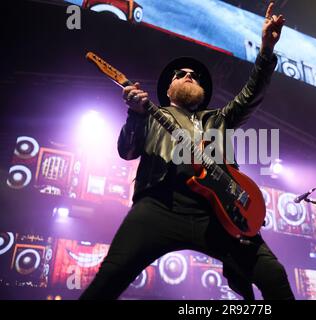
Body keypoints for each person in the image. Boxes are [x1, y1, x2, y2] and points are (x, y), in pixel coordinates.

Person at [80, 2, 294, 300]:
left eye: (194, 75)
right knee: (111, 276)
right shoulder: (154, 114)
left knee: (274, 275)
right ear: (169, 88)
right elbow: (127, 152)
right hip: (161, 204)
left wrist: (266, 50)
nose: (188, 75)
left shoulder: (217, 120)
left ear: (204, 93)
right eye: (180, 73)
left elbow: (251, 95)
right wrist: (136, 115)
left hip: (220, 212)